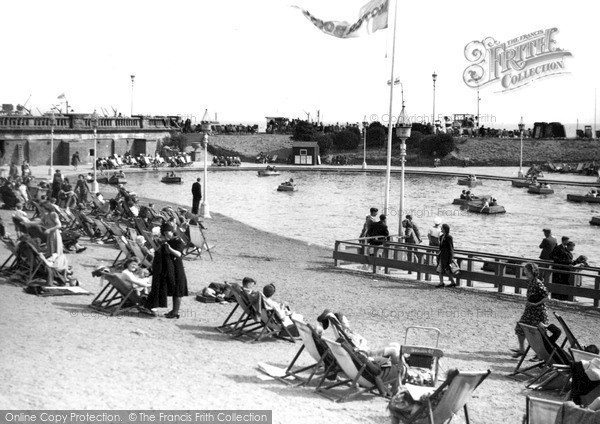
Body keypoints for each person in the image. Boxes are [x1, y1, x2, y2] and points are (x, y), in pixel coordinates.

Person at [317, 310, 401, 367]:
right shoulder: (343, 335)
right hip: (366, 356)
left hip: (368, 352)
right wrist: (331, 318)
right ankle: (396, 373)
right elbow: (336, 326)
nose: (348, 322)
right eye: (345, 321)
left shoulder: (347, 333)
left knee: (395, 345)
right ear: (341, 323)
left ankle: (397, 369)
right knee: (394, 350)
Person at [146, 223, 188, 318]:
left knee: (178, 289)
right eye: (164, 233)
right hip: (170, 267)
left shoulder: (178, 241)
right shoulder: (167, 240)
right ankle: (172, 311)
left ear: (172, 231)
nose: (166, 234)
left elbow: (179, 254)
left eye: (167, 232)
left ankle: (175, 312)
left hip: (177, 267)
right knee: (172, 288)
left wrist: (169, 249)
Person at [511, 263, 550, 357]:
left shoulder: (538, 283)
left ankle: (540, 355)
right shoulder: (530, 282)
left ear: (533, 272)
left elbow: (547, 298)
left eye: (527, 271)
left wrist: (535, 304)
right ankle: (522, 349)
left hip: (538, 312)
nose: (525, 273)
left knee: (538, 334)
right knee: (520, 327)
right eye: (525, 271)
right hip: (529, 311)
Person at [436, 223, 457, 288]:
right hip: (442, 256)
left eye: (442, 228)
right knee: (440, 270)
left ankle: (452, 282)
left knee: (447, 270)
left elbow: (451, 248)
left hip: (446, 257)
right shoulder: (441, 236)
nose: (441, 229)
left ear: (445, 229)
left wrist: (451, 258)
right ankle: (442, 282)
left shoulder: (449, 237)